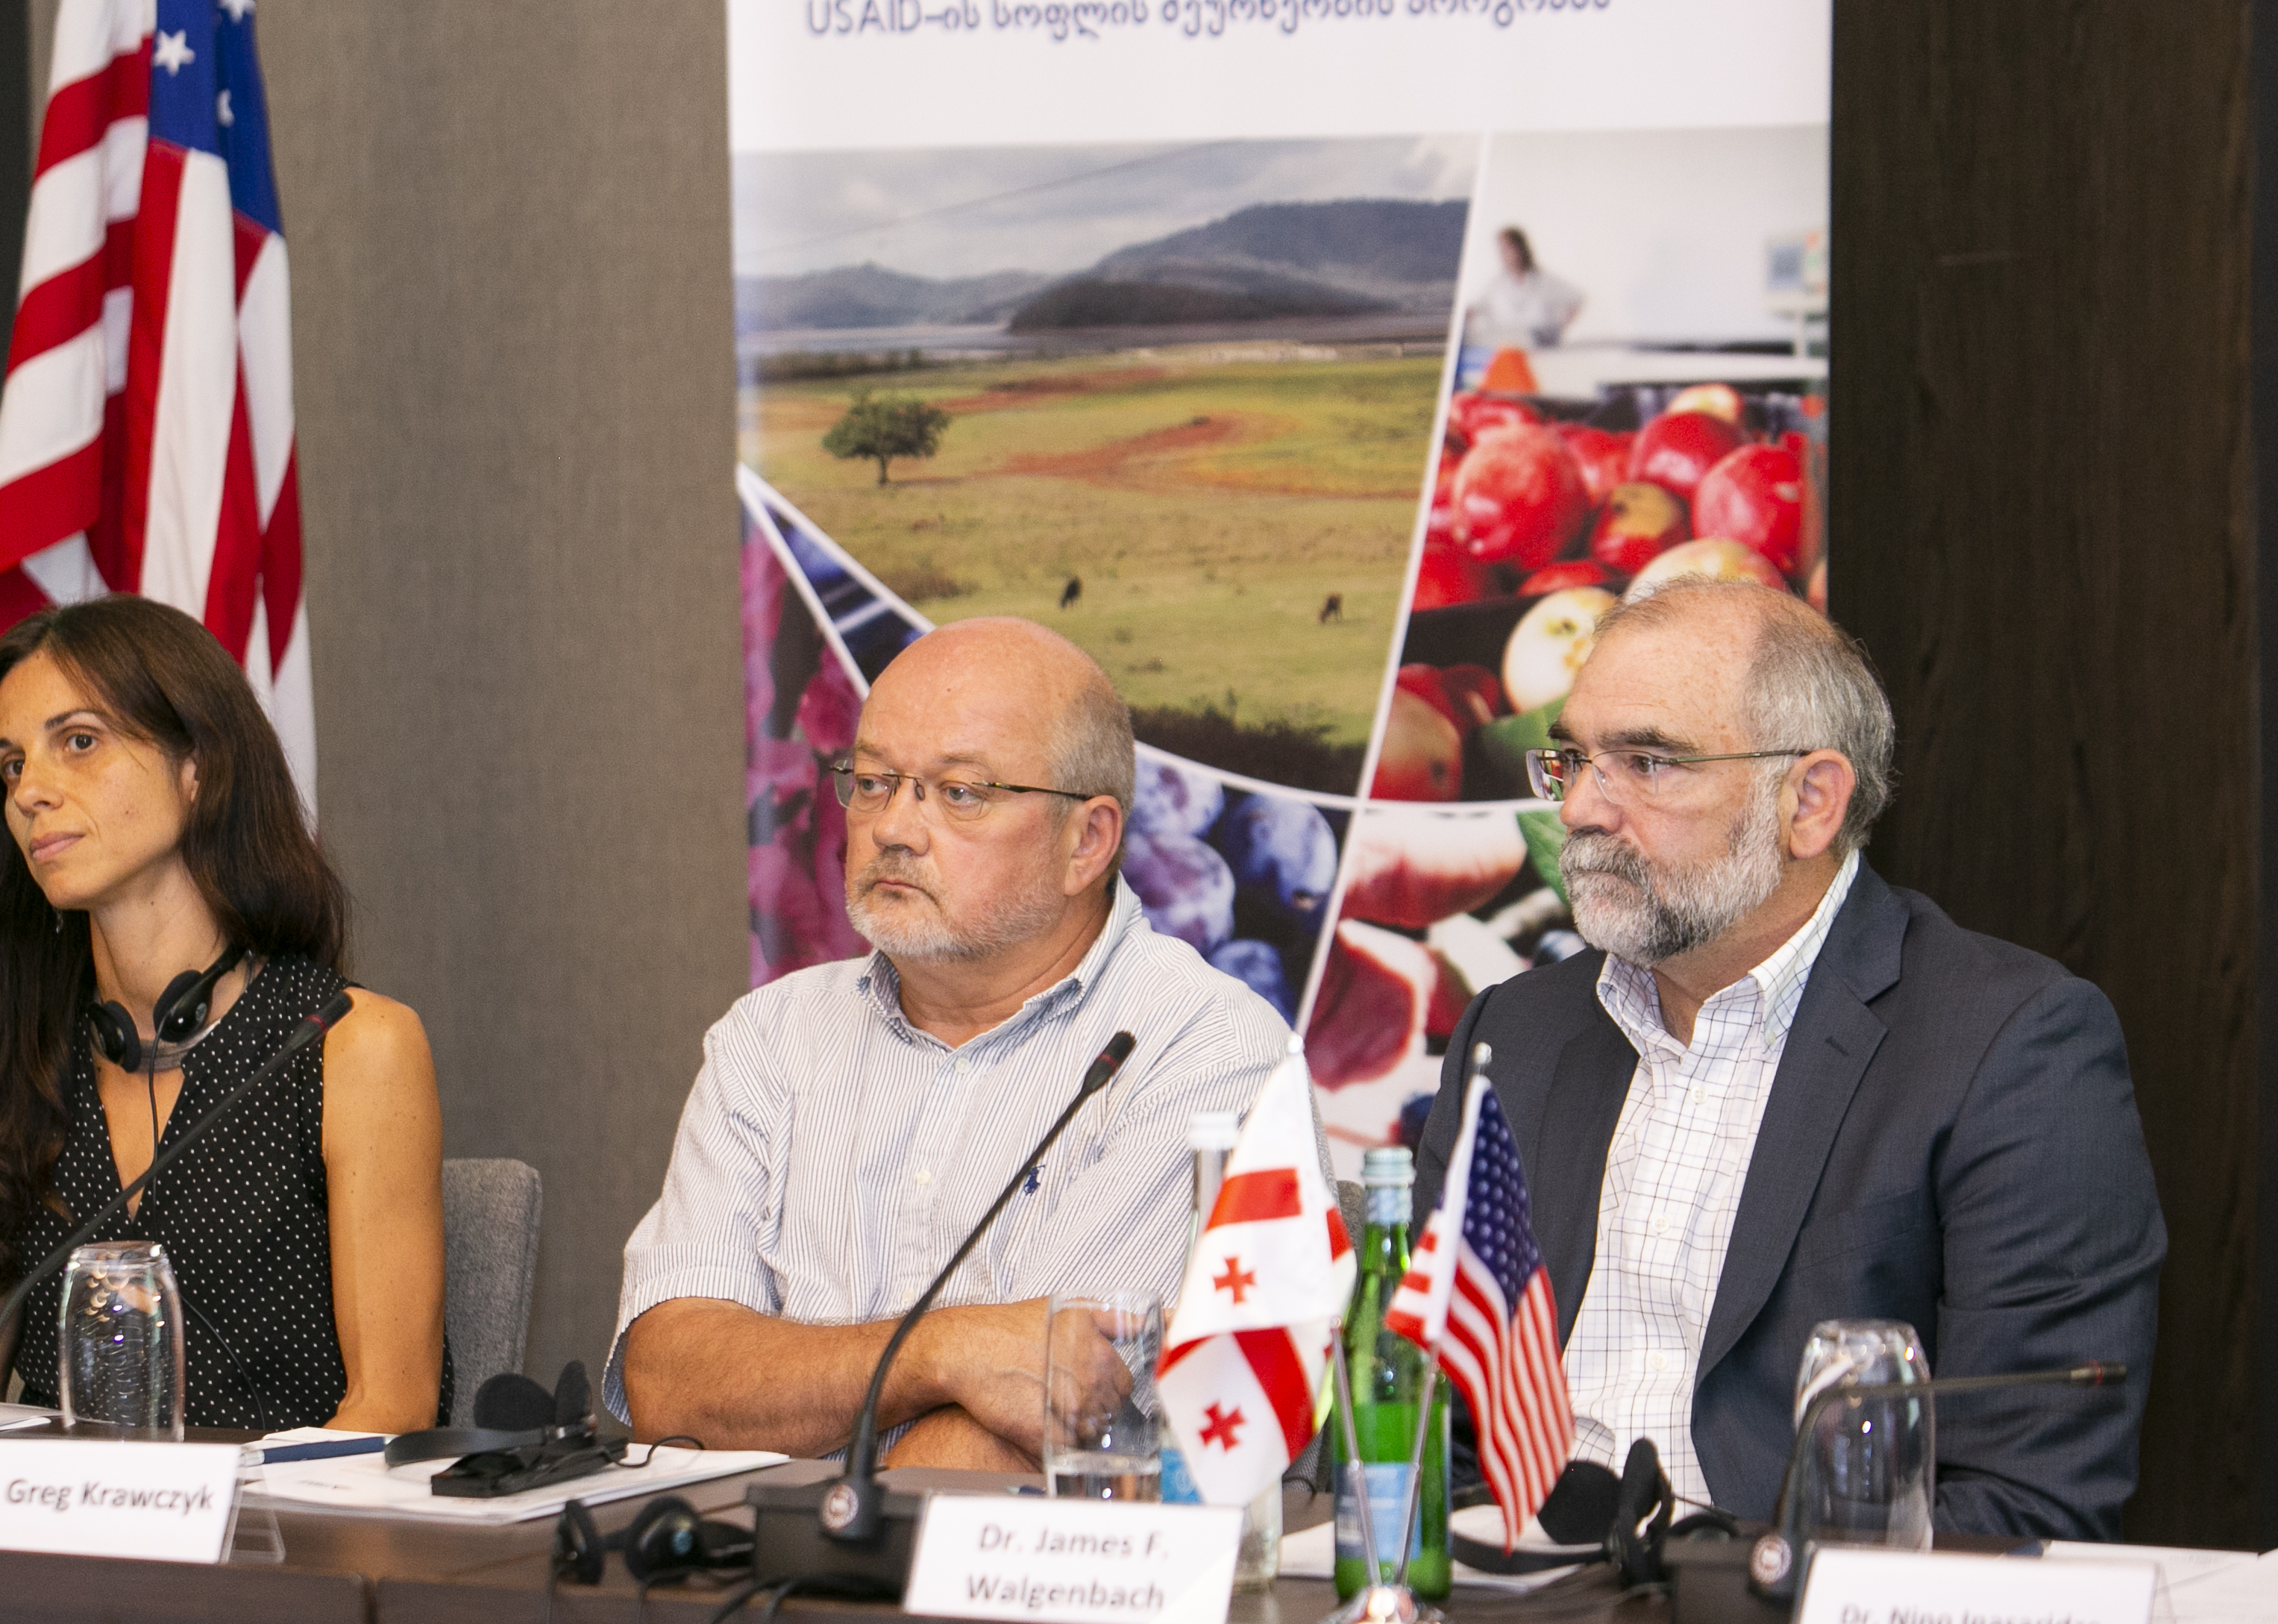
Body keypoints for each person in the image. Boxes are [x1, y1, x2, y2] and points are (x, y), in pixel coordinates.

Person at [1415, 578, 2163, 1538]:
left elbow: (2022, 1498)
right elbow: (1429, 1422)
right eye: (1572, 760)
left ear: (1809, 801)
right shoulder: (1514, 1034)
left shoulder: (2008, 1046)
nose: (1585, 809)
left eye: (1648, 762)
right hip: (1510, 1582)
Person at [610, 617, 1308, 1470]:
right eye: (874, 782)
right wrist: (940, 1351)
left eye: (960, 793)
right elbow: (669, 1385)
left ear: (1086, 841)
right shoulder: (770, 1038)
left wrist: (818, 1423)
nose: (893, 827)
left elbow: (1041, 1418)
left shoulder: (1204, 1050)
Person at [0, 595, 450, 1432]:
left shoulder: (352, 1046)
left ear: (196, 767)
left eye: (78, 742)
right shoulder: (15, 1060)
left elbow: (390, 1409)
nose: (31, 793)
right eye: (11, 765)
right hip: (53, 1511)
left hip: (284, 1511)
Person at [1466, 227, 1583, 350]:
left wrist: (1558, 330)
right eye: (1502, 250)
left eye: (1508, 249)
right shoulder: (1495, 286)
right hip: (1505, 349)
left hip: (1540, 349)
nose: (1504, 255)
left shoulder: (1545, 281)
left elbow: (1576, 299)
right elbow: (1473, 310)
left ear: (1521, 249)